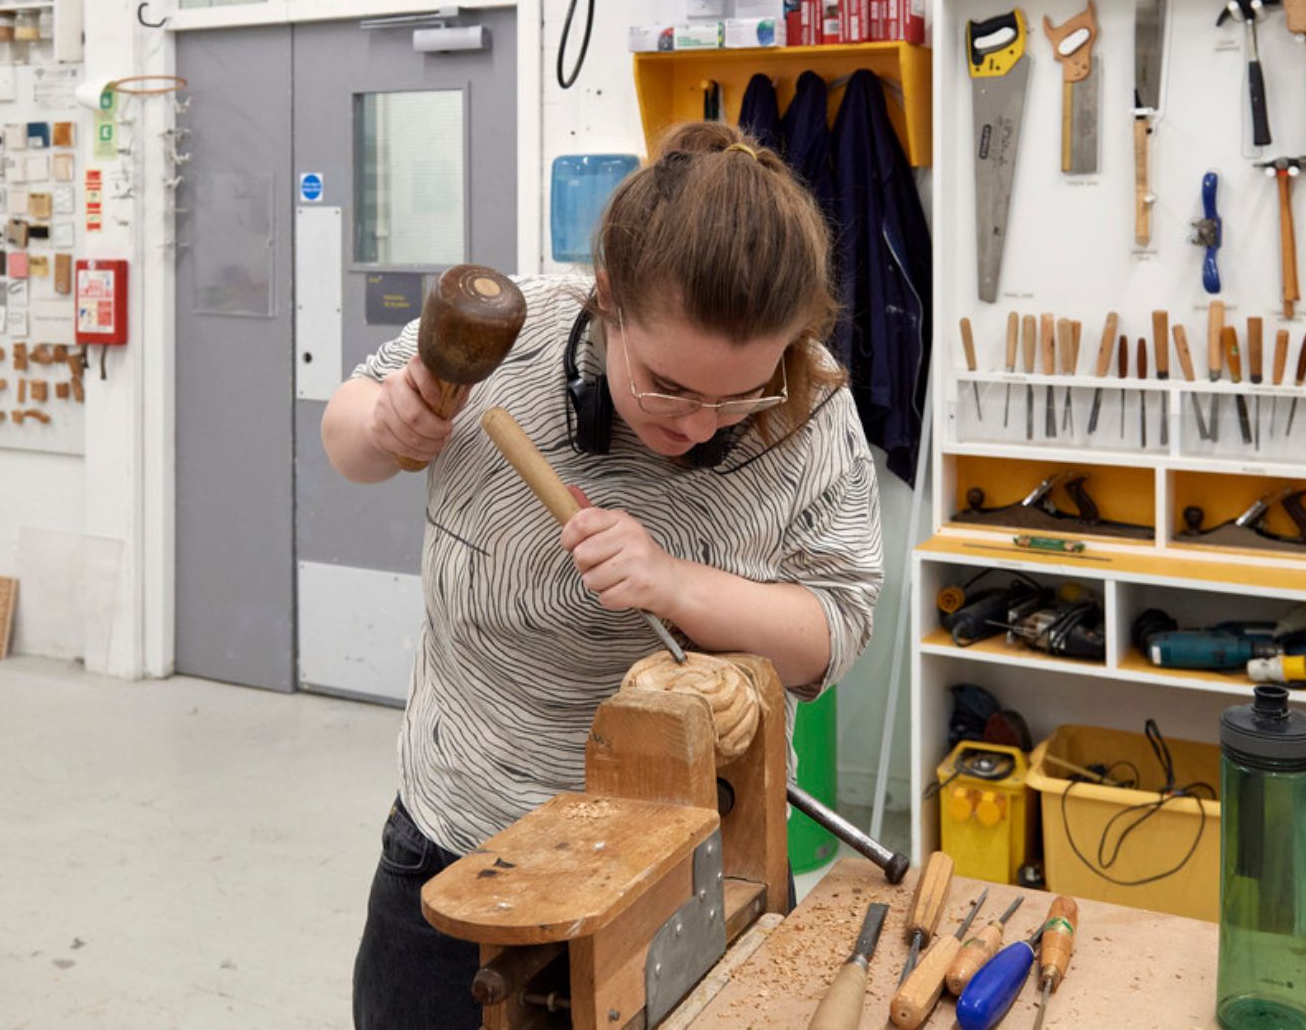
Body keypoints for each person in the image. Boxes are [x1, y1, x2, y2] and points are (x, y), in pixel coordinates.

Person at [322, 120, 885, 1028]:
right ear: (608, 300)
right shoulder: (521, 332)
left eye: (736, 395)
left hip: (688, 866)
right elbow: (348, 438)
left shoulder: (812, 399)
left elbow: (835, 631)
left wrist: (675, 582)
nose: (700, 423)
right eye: (667, 385)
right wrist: (384, 423)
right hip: (463, 845)